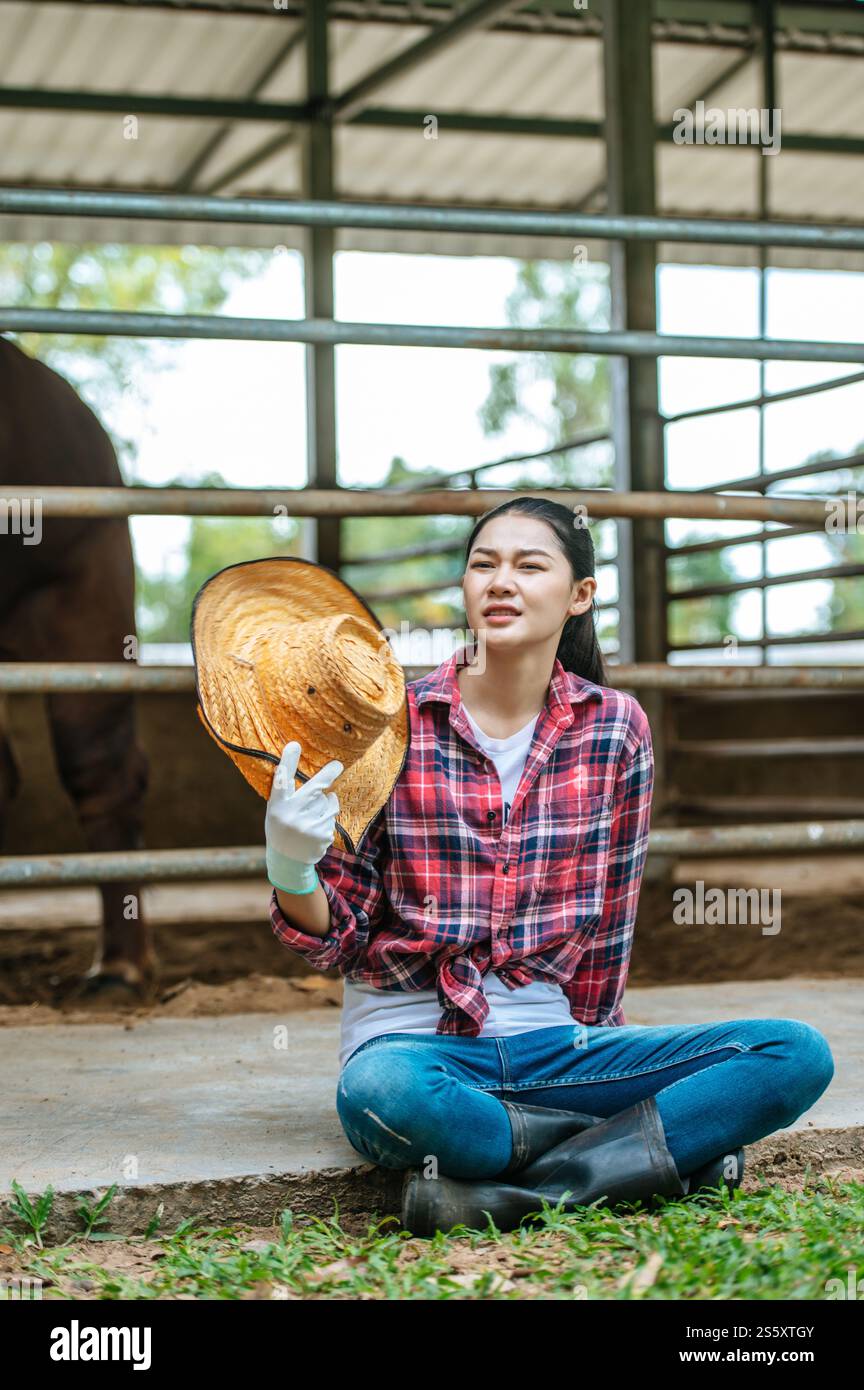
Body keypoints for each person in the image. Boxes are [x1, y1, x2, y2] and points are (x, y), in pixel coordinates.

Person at [265, 497, 835, 1235]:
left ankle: (515, 1193)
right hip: (418, 1056)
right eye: (483, 564)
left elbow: (610, 928)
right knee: (380, 1095)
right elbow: (338, 937)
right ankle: (631, 1156)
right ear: (465, 589)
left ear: (580, 595)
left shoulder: (615, 728)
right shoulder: (389, 725)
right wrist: (289, 865)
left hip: (560, 1050)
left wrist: (608, 1054)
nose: (501, 581)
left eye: (529, 565)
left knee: (792, 1052)